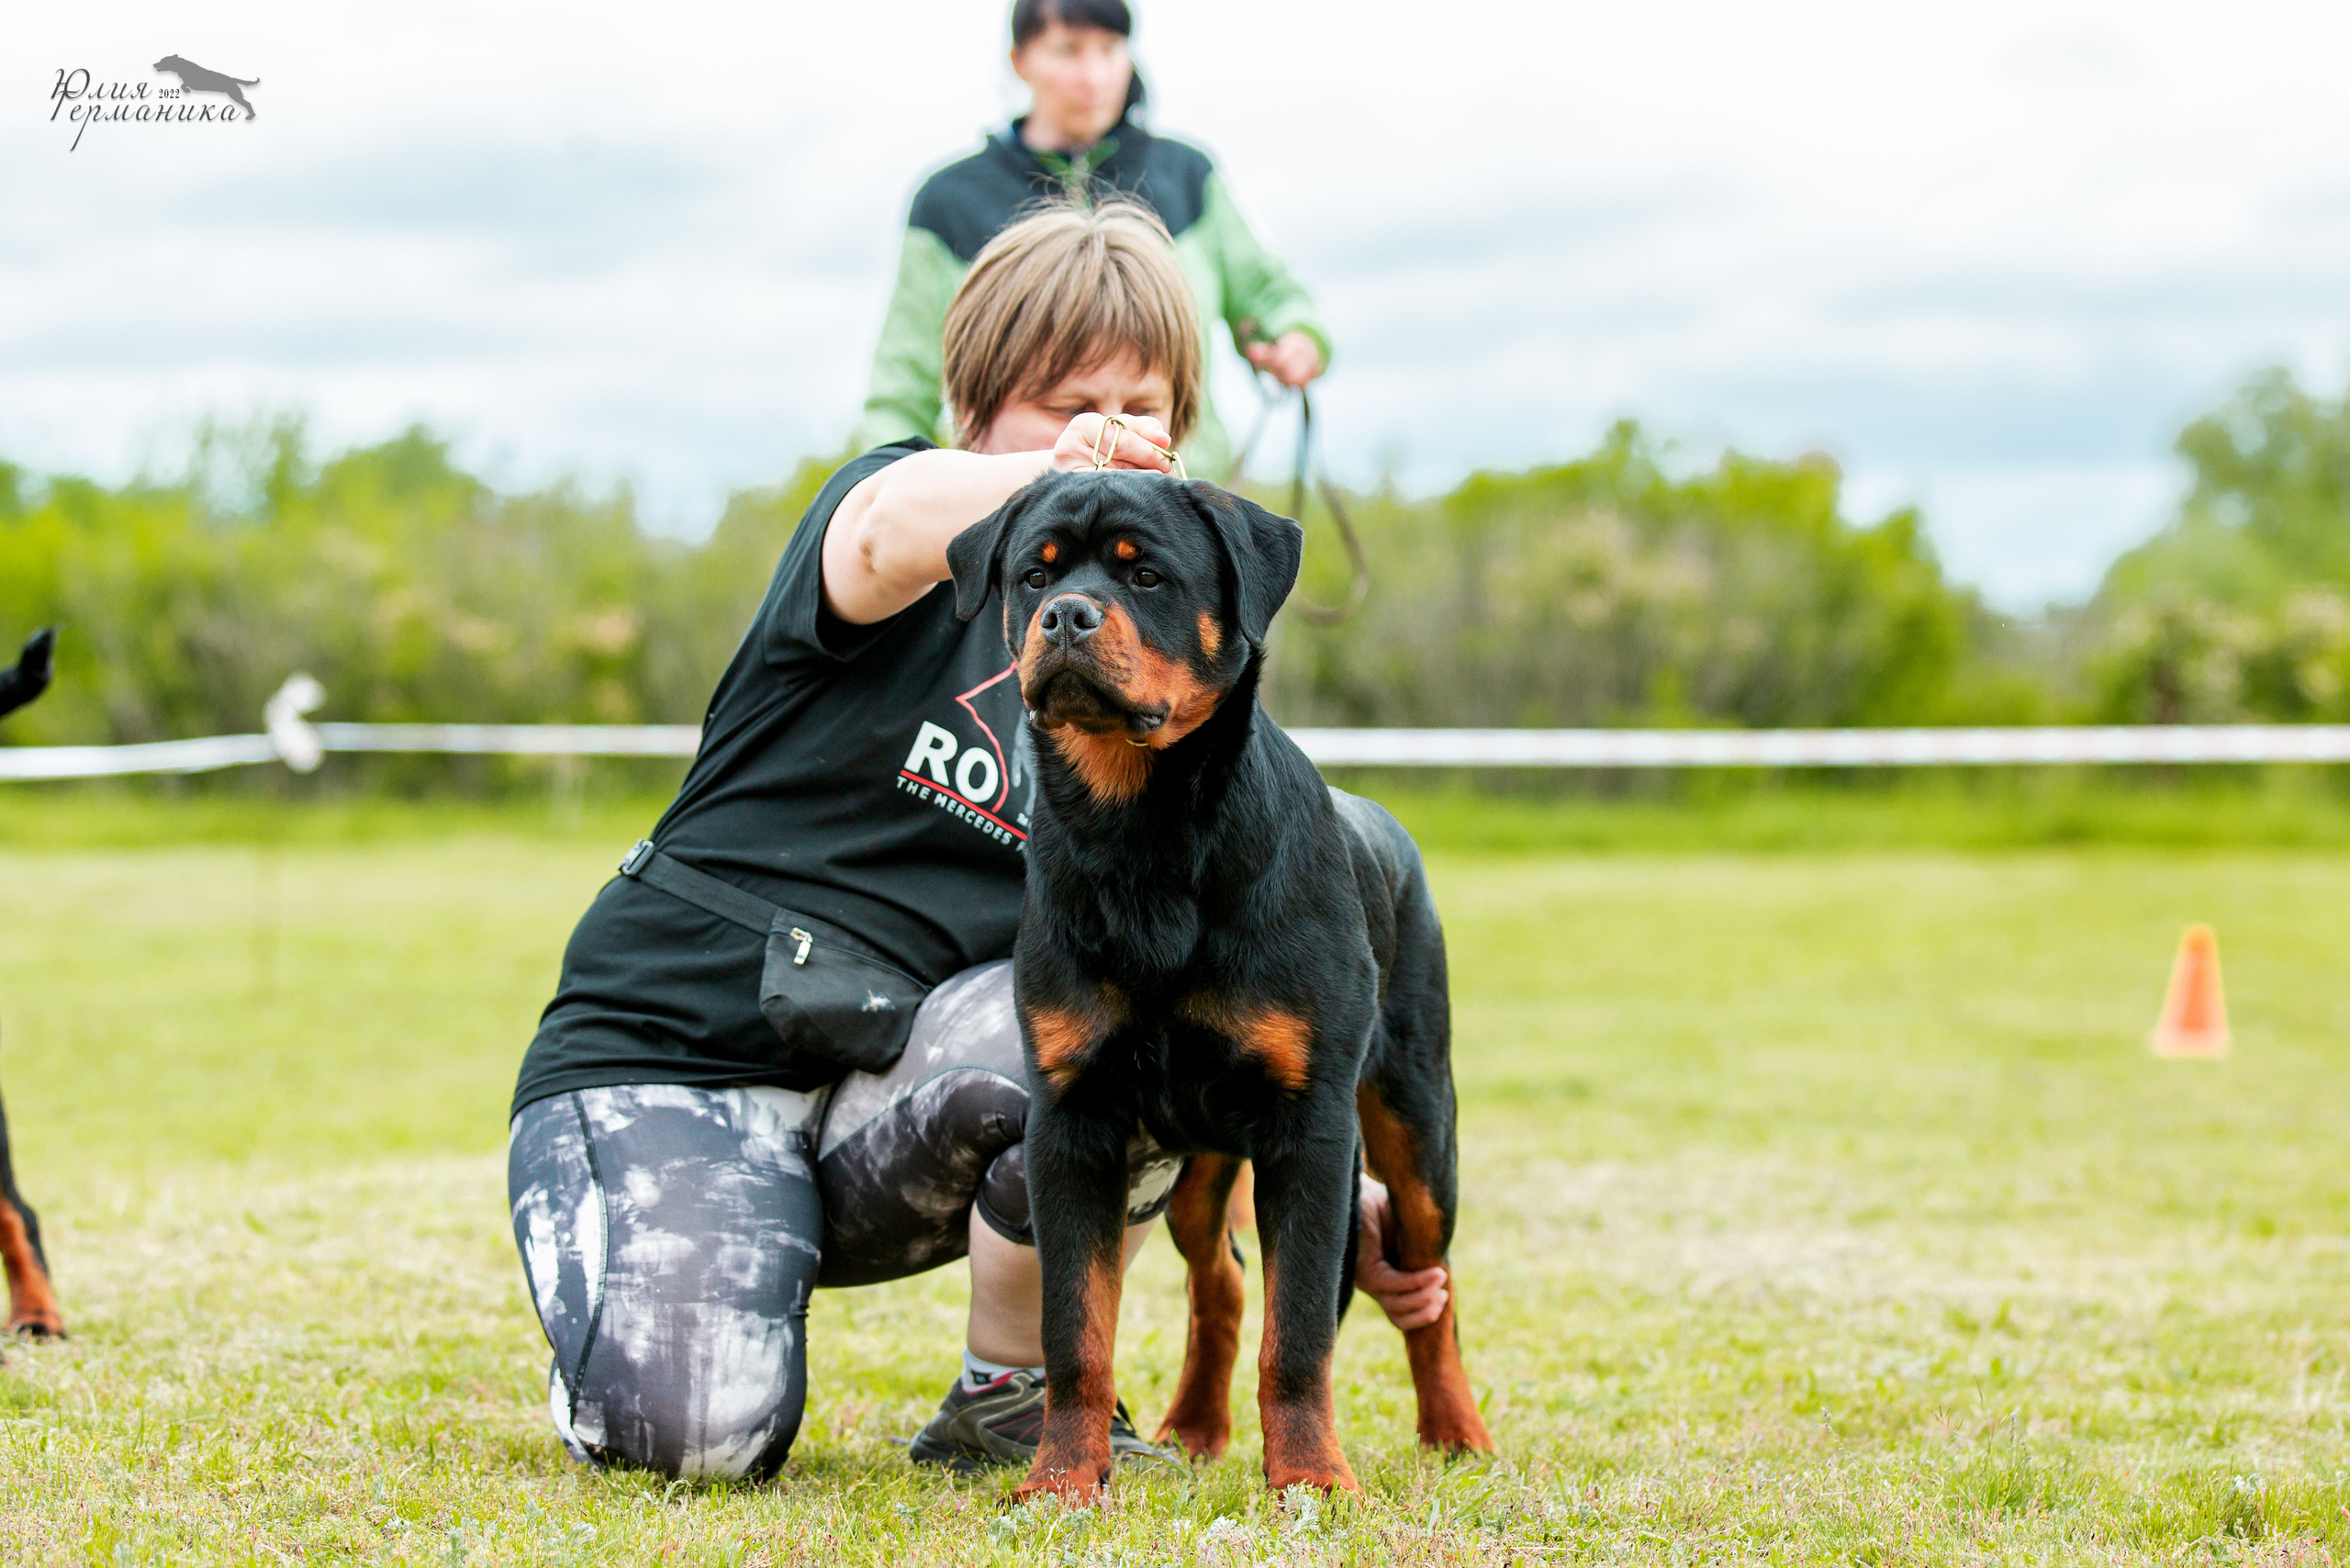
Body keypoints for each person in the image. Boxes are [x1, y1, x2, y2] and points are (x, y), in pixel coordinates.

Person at [507, 202, 1443, 1483]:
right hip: (677, 1051)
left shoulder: (1153, 639)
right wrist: (1065, 479)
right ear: (973, 409)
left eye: (1138, 406)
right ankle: (629, 1275)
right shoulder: (885, 527)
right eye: (1065, 407)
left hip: (885, 1085)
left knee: (1111, 1032)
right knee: (690, 1437)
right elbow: (900, 523)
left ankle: (1012, 1397)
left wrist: (1330, 1164)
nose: (1106, 435)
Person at [855, 0, 1328, 479]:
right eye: (1068, 50)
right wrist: (881, 501)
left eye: (1110, 49)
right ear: (1020, 61)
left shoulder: (1186, 176)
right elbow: (900, 390)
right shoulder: (949, 202)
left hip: (1182, 499)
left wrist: (1297, 337)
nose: (1094, 75)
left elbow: (1271, 294)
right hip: (1021, 517)